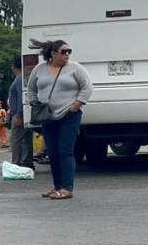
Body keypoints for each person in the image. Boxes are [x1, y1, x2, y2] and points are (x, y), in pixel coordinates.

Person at [27, 39, 93, 200]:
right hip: (48, 116)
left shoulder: (75, 68)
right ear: (53, 53)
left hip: (68, 115)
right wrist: (35, 103)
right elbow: (31, 88)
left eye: (69, 51)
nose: (67, 55)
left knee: (65, 151)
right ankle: (57, 187)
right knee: (53, 152)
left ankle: (66, 188)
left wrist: (76, 105)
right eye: (64, 52)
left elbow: (87, 87)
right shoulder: (39, 69)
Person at [9, 56, 34, 170]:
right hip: (21, 113)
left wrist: (19, 115)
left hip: (19, 114)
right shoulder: (22, 78)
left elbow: (21, 98)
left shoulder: (19, 79)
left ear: (14, 66)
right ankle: (27, 162)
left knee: (16, 139)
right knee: (25, 139)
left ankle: (17, 163)